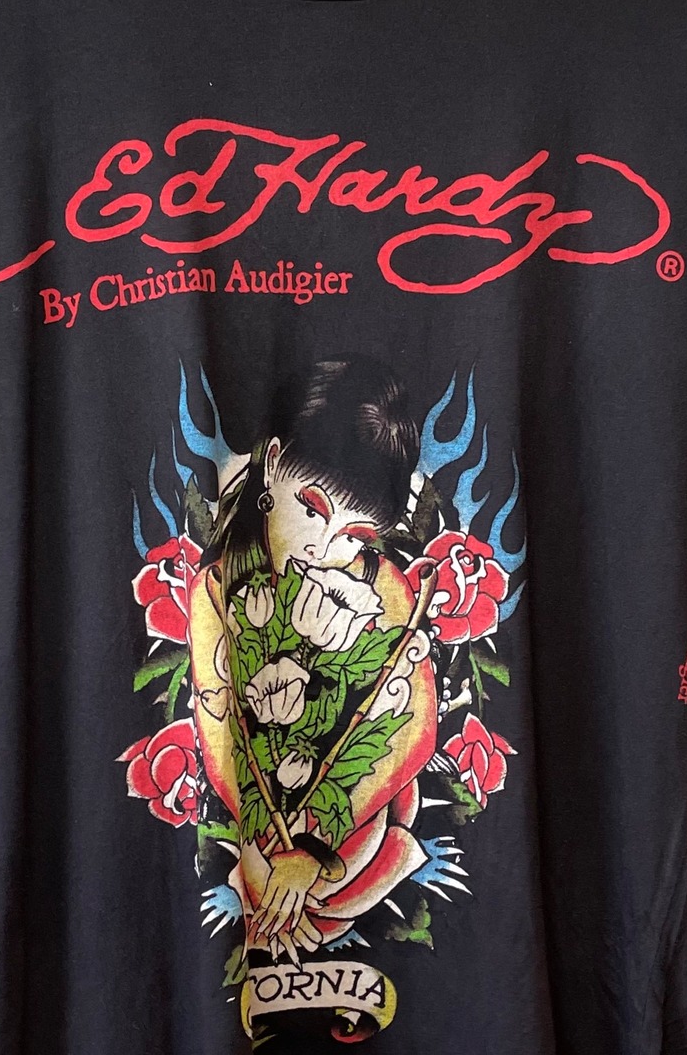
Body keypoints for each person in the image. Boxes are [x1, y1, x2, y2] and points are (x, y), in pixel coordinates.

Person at [185, 355, 439, 964]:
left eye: (355, 536)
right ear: (272, 462)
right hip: (259, 826)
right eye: (312, 510)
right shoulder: (215, 592)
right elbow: (219, 737)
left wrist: (314, 850)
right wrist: (267, 850)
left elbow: (412, 729)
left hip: (352, 821)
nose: (324, 551)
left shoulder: (381, 586)